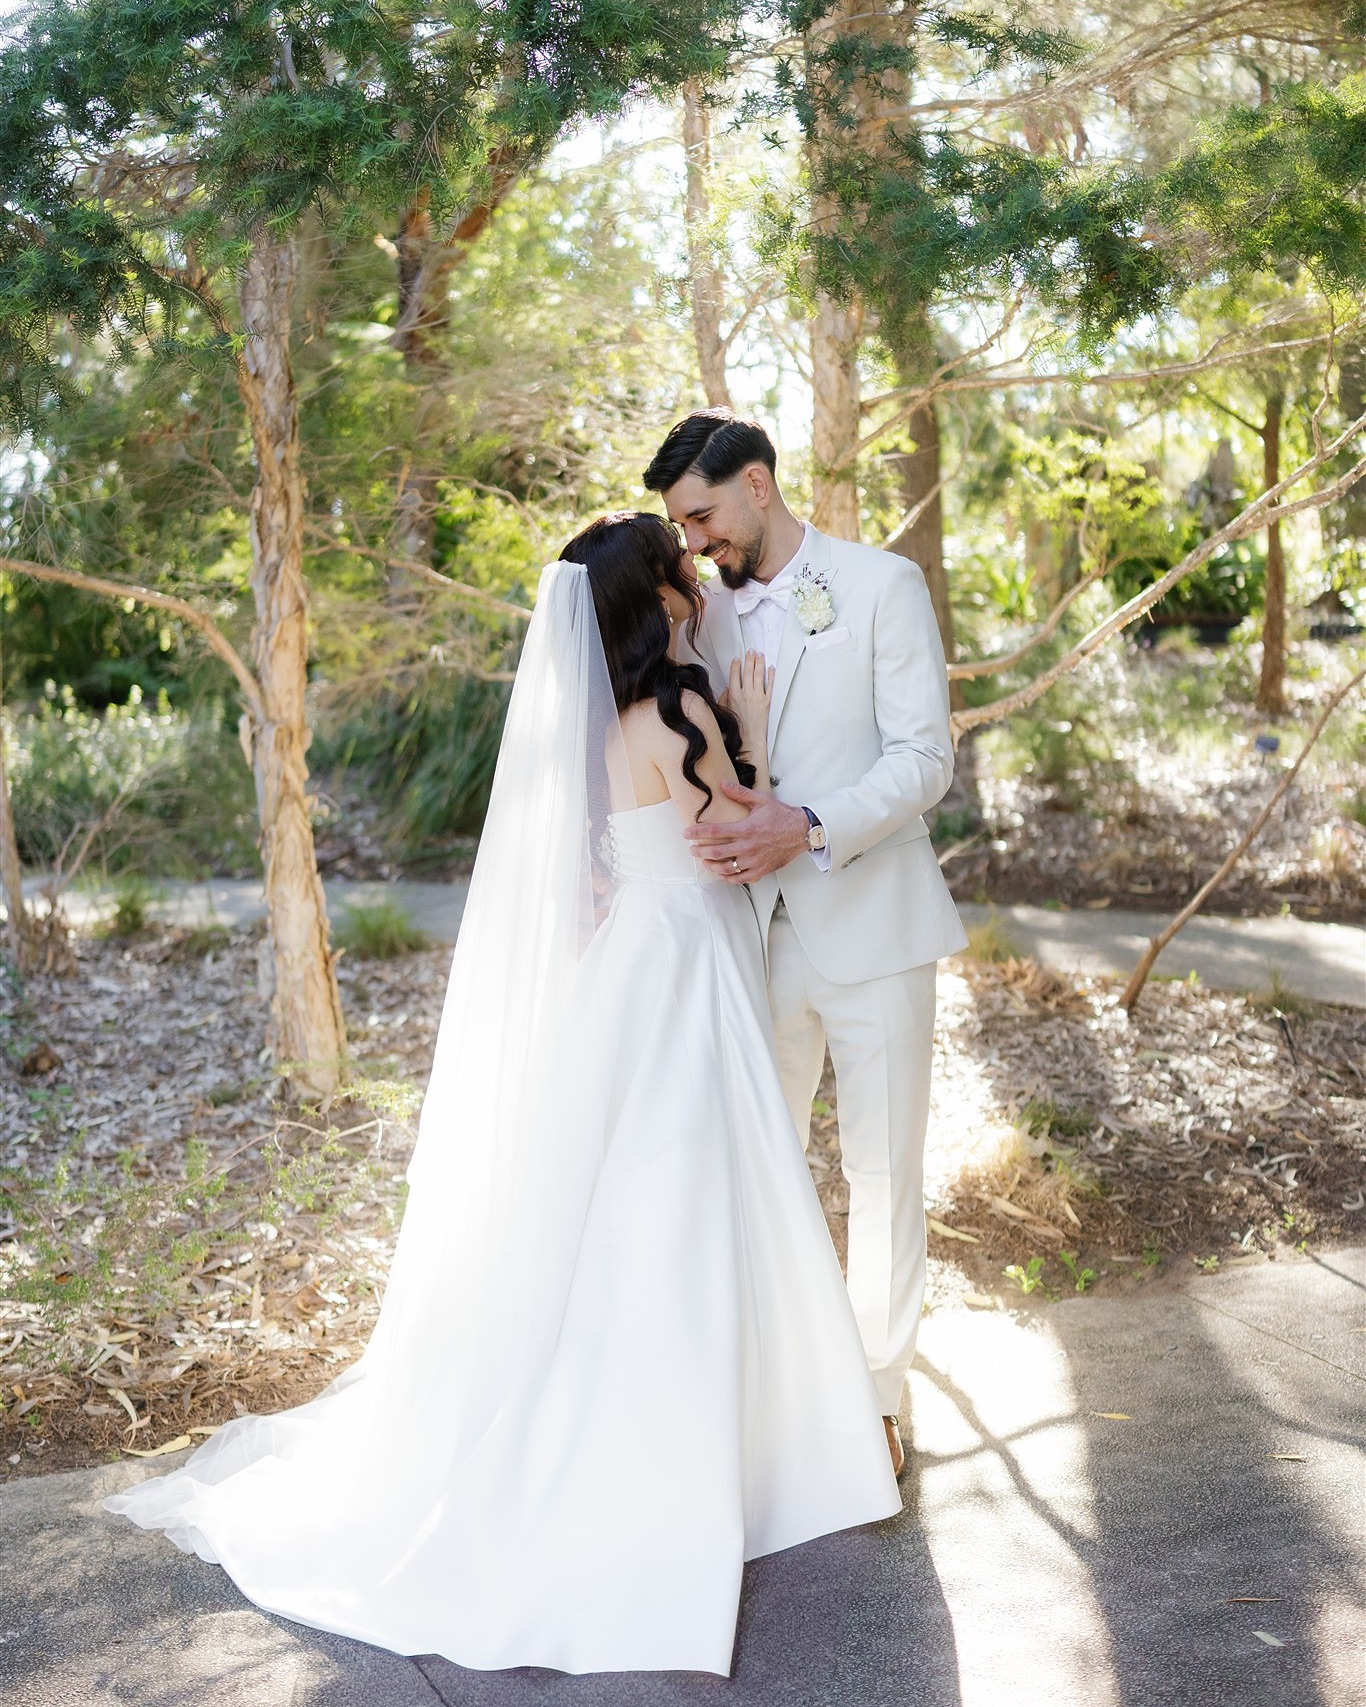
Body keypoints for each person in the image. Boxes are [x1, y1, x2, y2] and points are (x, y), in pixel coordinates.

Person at [103, 512, 901, 1678]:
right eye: (677, 568)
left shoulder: (596, 725)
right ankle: (718, 1442)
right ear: (655, 597)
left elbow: (597, 861)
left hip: (632, 957)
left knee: (620, 1194)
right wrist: (761, 736)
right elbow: (734, 826)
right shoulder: (681, 713)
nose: (692, 575)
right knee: (693, 1188)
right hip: (686, 963)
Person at [643, 412, 968, 1472]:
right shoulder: (702, 617)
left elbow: (925, 760)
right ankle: (777, 1389)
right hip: (747, 941)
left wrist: (811, 825)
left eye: (700, 515)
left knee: (881, 1174)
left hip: (872, 923)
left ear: (756, 484)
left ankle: (874, 1405)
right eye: (680, 526)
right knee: (760, 1167)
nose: (693, 542)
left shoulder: (881, 586)